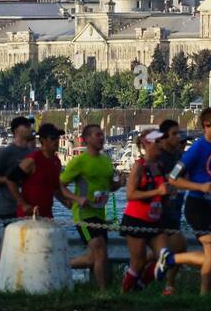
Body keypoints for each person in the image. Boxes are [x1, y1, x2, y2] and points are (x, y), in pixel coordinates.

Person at [157, 107, 211, 295]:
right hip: (196, 205)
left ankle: (174, 263)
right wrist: (200, 187)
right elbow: (173, 177)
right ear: (206, 125)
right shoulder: (197, 148)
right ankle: (203, 294)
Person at [62, 123, 121, 289]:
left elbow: (110, 187)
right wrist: (76, 199)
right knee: (100, 250)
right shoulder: (79, 161)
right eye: (97, 135)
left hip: (100, 214)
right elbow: (60, 185)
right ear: (86, 139)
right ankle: (103, 291)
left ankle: (61, 265)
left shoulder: (106, 161)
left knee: (96, 257)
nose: (101, 138)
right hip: (83, 214)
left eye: (102, 134)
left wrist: (119, 183)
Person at [119, 129, 172, 292]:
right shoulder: (138, 166)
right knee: (138, 261)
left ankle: (140, 287)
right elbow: (130, 194)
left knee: (165, 257)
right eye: (157, 142)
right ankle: (126, 292)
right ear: (147, 144)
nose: (161, 146)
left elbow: (164, 193)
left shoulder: (160, 166)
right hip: (136, 219)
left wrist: (168, 195)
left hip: (155, 220)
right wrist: (157, 192)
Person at [0, 116, 33, 285]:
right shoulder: (6, 153)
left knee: (21, 247)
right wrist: (6, 180)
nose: (29, 127)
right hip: (8, 206)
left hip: (26, 207)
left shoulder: (30, 154)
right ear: (16, 130)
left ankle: (15, 284)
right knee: (6, 248)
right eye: (26, 125)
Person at [13, 122, 75, 219]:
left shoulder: (56, 162)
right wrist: (23, 204)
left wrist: (66, 202)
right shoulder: (32, 160)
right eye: (53, 138)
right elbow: (11, 181)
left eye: (58, 138)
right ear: (43, 140)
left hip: (47, 215)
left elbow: (55, 188)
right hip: (28, 216)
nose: (57, 141)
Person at [153, 119, 187, 294]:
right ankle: (166, 284)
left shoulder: (179, 157)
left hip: (174, 208)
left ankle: (167, 284)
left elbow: (181, 176)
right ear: (164, 137)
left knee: (177, 246)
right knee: (177, 244)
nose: (179, 138)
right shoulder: (158, 156)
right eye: (175, 134)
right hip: (158, 210)